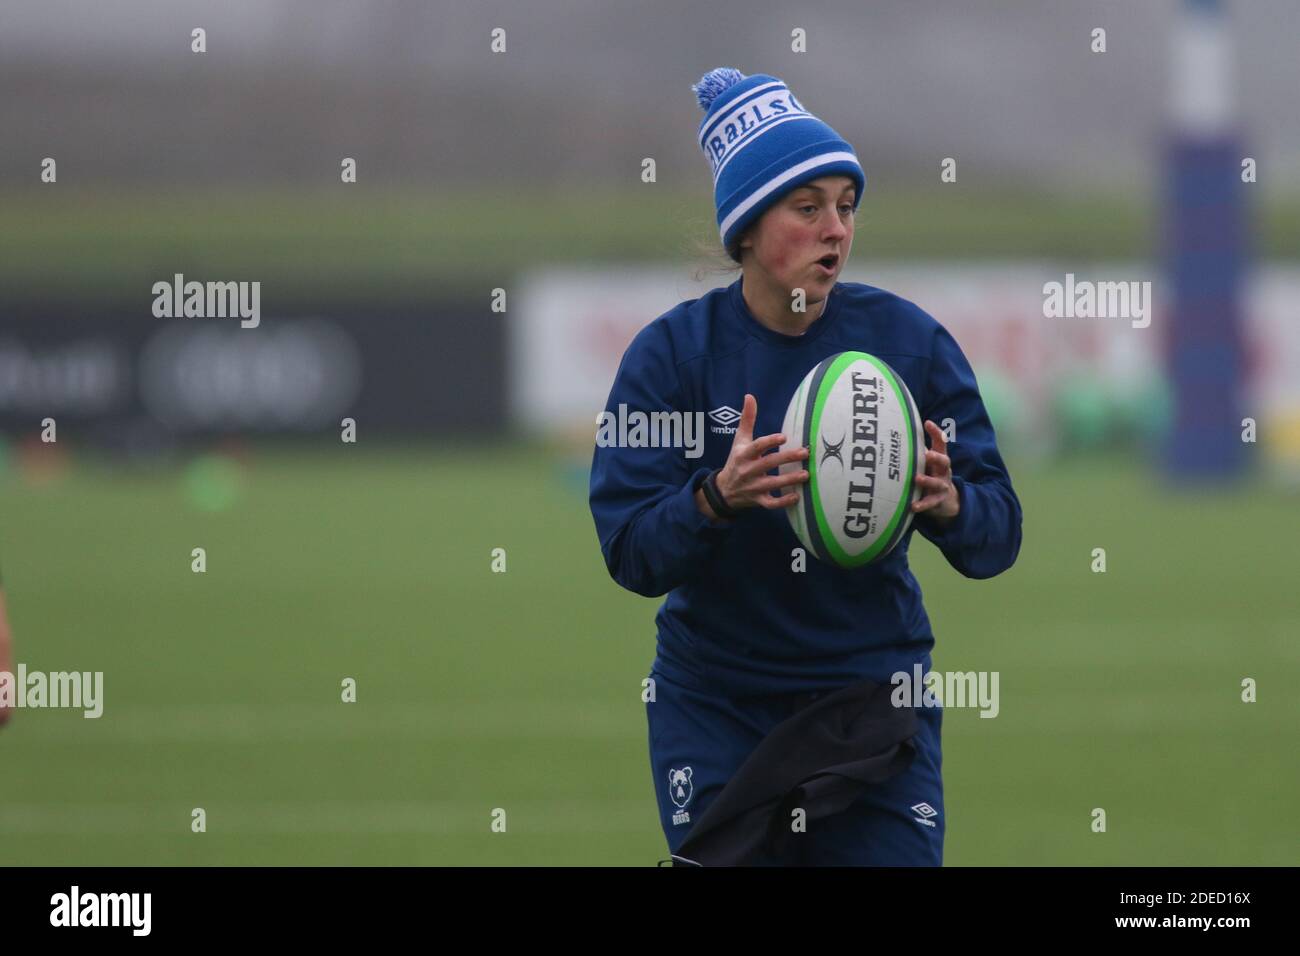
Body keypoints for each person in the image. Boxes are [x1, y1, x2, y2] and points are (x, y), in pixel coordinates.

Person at [588, 68, 1022, 865]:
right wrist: (715, 499)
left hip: (873, 701)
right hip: (718, 706)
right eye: (808, 206)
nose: (836, 229)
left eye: (847, 207)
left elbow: (1000, 533)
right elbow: (629, 549)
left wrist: (948, 503)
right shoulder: (671, 358)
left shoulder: (909, 346)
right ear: (748, 227)